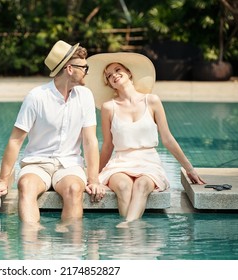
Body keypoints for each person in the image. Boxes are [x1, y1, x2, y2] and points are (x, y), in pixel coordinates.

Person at [0, 40, 105, 227]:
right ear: (70, 69)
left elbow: (90, 141)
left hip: (69, 165)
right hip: (37, 163)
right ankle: (33, 244)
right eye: (84, 67)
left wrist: (94, 179)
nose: (87, 71)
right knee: (26, 186)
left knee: (74, 189)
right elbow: (16, 140)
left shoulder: (86, 96)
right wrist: (2, 181)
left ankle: (69, 248)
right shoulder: (36, 97)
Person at [85, 52, 206, 228]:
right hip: (121, 162)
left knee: (142, 185)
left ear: (129, 73)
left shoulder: (152, 101)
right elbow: (108, 146)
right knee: (124, 187)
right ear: (109, 83)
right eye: (109, 76)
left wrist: (189, 169)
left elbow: (168, 139)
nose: (113, 75)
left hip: (149, 162)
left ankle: (127, 226)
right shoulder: (108, 107)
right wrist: (93, 177)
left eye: (117, 70)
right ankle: (132, 230)